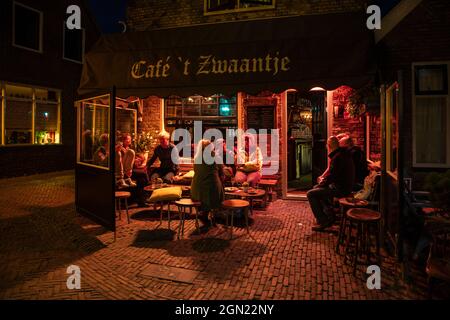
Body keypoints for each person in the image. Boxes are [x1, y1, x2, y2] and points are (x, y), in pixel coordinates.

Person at [307, 136, 355, 231]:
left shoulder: (337, 157)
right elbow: (334, 175)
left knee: (311, 194)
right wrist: (322, 182)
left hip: (341, 189)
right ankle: (329, 216)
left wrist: (322, 183)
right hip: (344, 186)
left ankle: (323, 221)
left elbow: (332, 176)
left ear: (328, 146)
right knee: (317, 189)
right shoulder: (342, 154)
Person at [191, 139, 224, 216]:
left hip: (196, 190)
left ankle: (204, 210)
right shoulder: (216, 157)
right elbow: (221, 173)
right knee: (219, 181)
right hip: (212, 189)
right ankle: (217, 208)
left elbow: (196, 171)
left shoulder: (196, 158)